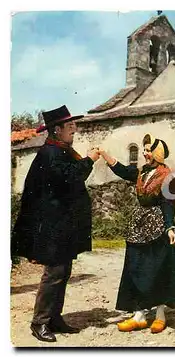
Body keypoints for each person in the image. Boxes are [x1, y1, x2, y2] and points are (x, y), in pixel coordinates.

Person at [11, 105, 100, 342]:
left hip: (62, 226)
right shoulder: (51, 154)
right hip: (52, 228)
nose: (74, 128)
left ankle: (54, 318)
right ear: (56, 129)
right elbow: (71, 179)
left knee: (63, 271)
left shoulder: (61, 151)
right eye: (69, 125)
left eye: (74, 124)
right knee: (54, 273)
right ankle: (39, 322)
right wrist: (90, 160)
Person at [99, 134, 175, 334]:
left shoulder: (168, 177)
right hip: (138, 225)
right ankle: (139, 315)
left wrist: (169, 227)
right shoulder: (141, 172)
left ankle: (160, 315)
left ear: (157, 153)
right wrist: (105, 154)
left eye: (148, 150)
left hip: (157, 226)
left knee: (158, 269)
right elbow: (123, 170)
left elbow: (169, 205)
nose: (144, 153)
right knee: (135, 267)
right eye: (145, 150)